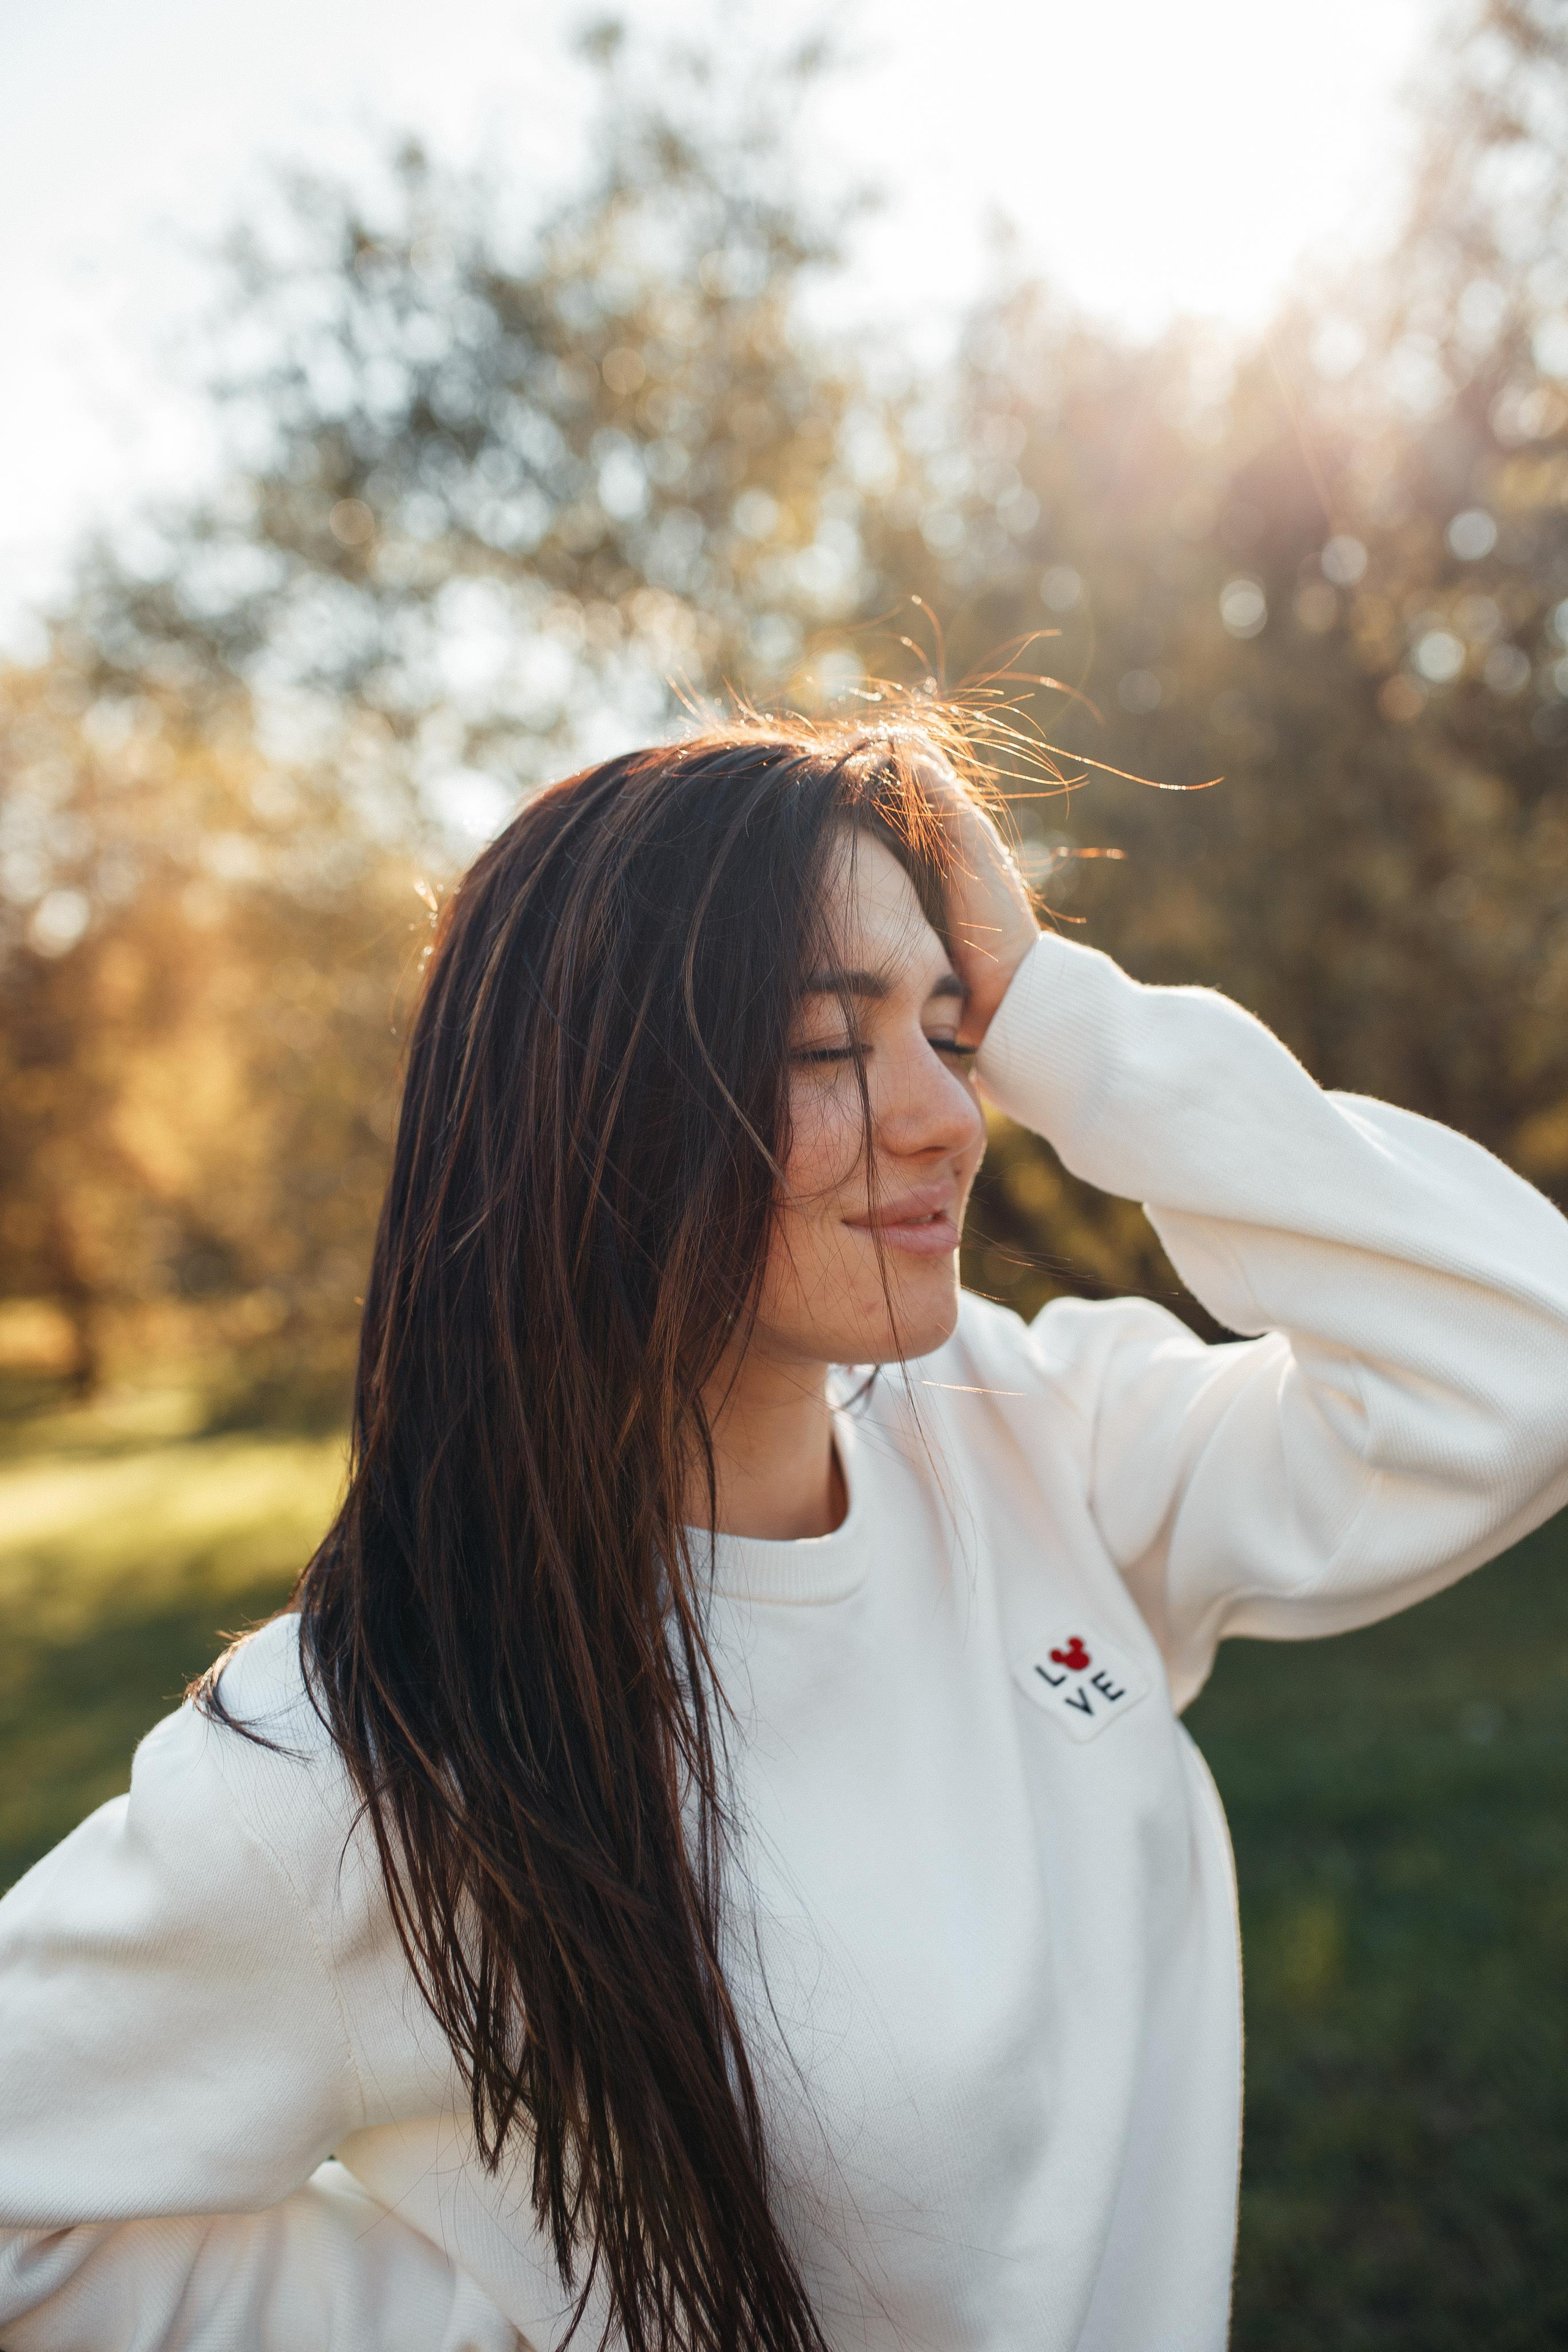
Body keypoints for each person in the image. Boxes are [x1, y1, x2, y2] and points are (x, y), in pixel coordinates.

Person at [2, 718, 1566, 2352]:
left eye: (946, 1037)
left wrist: (1050, 1006)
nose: (951, 1123)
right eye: (830, 1047)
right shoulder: (365, 1771)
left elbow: (1520, 1360)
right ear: (595, 1104)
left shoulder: (1031, 1434)